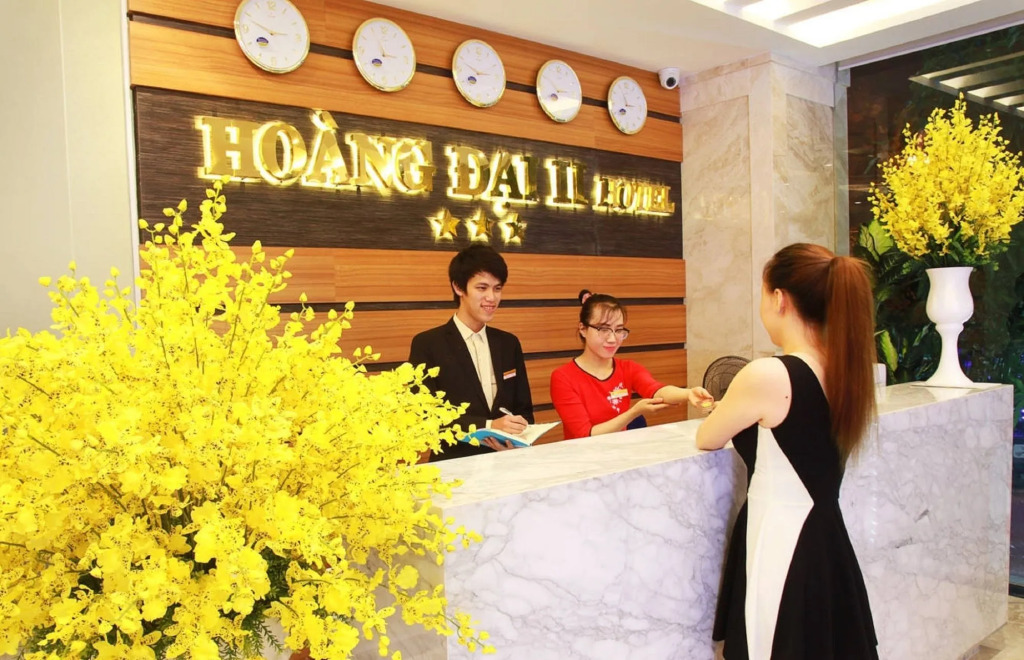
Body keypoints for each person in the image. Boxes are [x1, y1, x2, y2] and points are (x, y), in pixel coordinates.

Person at [696, 243, 879, 659]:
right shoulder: (843, 368)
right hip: (826, 536)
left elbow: (707, 437)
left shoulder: (769, 373)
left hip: (783, 537)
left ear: (779, 298)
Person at [409, 245, 534, 461]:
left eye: (497, 288)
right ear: (458, 287)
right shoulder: (428, 344)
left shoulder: (509, 343)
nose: (491, 298)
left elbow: (525, 412)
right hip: (454, 465)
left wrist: (518, 437)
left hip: (507, 463)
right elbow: (426, 417)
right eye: (482, 288)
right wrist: (489, 426)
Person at [549, 290, 713, 440]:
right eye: (603, 329)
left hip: (622, 452)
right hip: (585, 456)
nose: (613, 339)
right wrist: (634, 412)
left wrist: (689, 394)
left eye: (619, 330)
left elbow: (657, 391)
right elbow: (585, 435)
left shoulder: (628, 368)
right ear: (583, 329)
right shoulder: (563, 377)